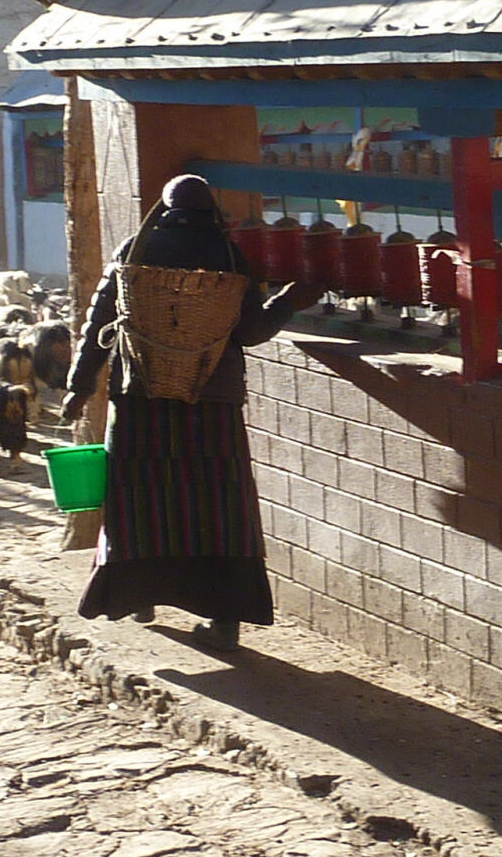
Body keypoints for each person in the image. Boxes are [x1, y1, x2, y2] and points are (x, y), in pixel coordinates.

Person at [61, 174, 322, 651]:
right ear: (212, 213)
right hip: (212, 403)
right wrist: (288, 301)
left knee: (141, 498)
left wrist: (79, 386)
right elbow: (248, 333)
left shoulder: (133, 250)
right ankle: (225, 620)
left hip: (140, 398)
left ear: (162, 209)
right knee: (219, 505)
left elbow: (99, 319)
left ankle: (138, 594)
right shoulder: (226, 254)